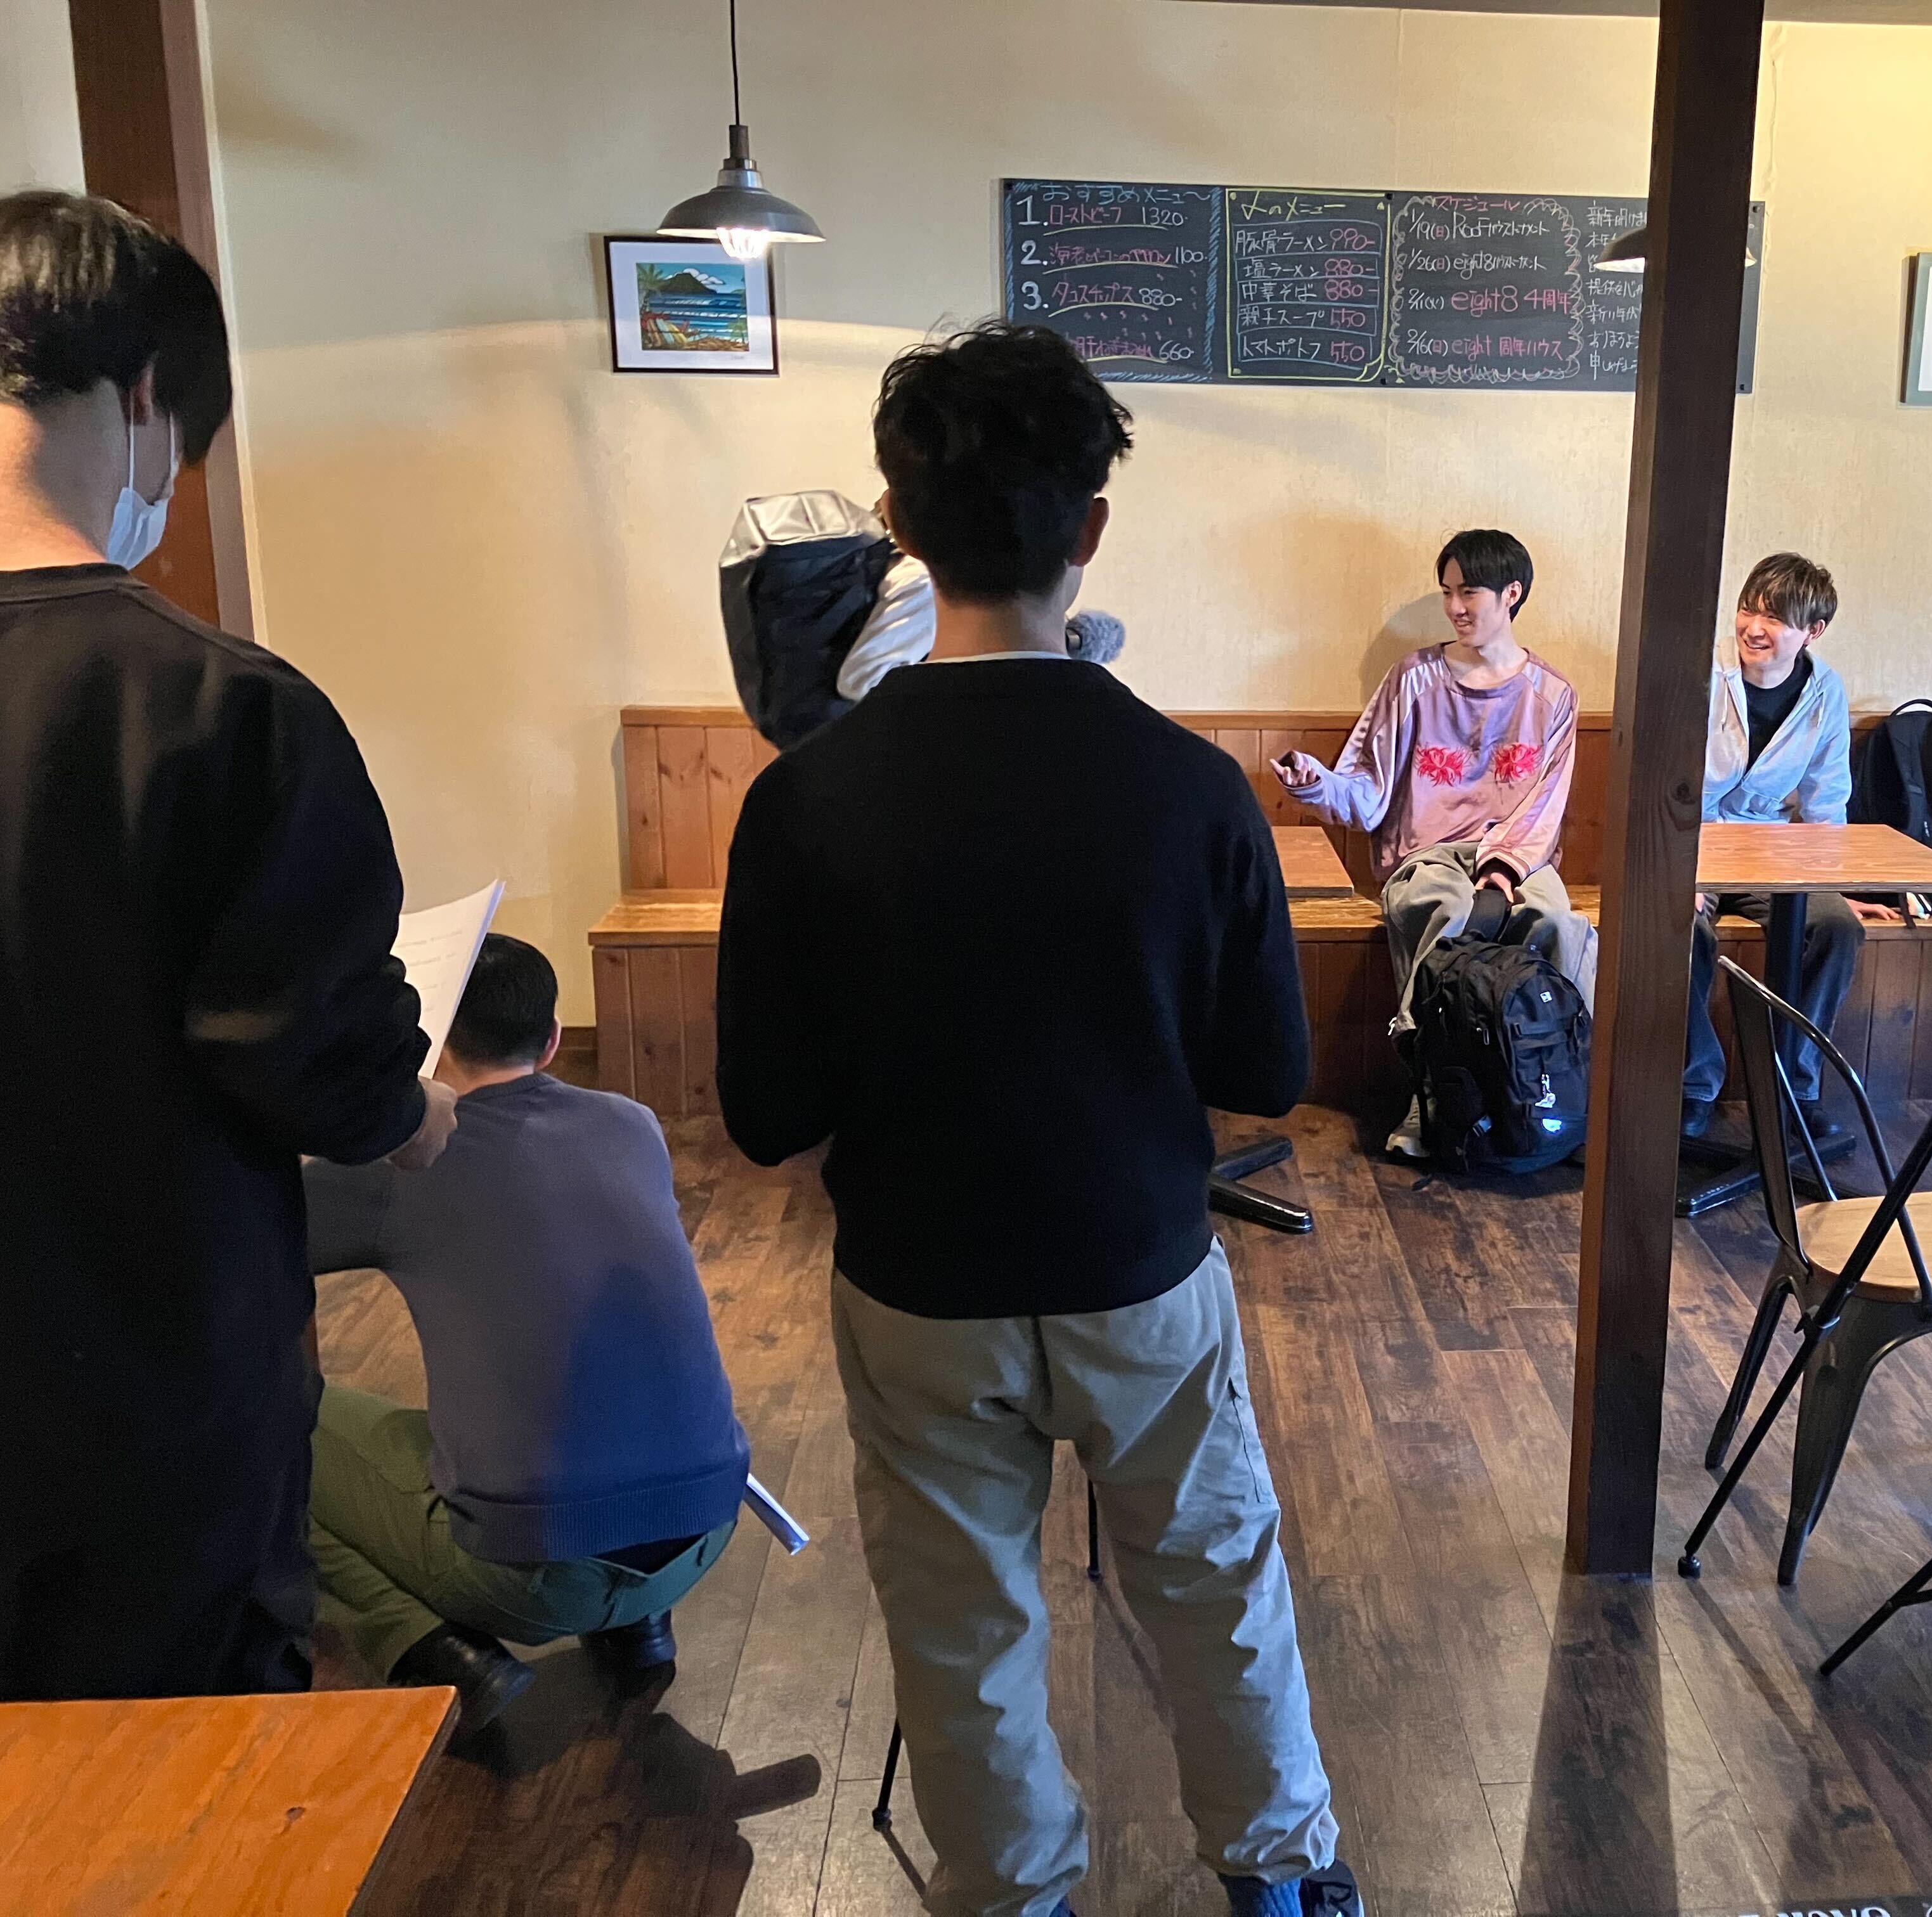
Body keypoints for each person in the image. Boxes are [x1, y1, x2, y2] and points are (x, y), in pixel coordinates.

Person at [716, 322, 1361, 1917]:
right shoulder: (1192, 788)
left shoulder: (803, 800)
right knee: (1213, 1579)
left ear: (899, 525)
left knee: (961, 1621)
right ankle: (1278, 1882)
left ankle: (1013, 1896)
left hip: (919, 1285)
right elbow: (1266, 1066)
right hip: (1139, 1266)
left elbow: (766, 1114)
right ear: (1092, 527)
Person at [0, 190, 455, 1700]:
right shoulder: (217, 708)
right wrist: (411, 1112)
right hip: (145, 1390)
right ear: (146, 398)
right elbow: (309, 1049)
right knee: (170, 1776)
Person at [301, 935, 750, 1738]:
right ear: (552, 1040)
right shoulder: (632, 1125)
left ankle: (440, 1654)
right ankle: (636, 1624)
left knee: (278, 1420)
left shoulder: (402, 1162)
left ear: (427, 1039)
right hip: (706, 1534)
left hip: (533, 1577)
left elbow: (246, 1243)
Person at [1273, 529, 1595, 1160]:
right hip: (1427, 852)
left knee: (1560, 924)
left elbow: (1546, 804)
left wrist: (1503, 868)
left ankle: (1563, 1095)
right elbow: (1368, 790)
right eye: (1447, 592)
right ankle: (1431, 1092)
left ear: (1512, 593)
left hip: (1521, 855)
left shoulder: (1553, 695)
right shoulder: (1413, 679)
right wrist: (1316, 783)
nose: (1454, 607)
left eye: (1468, 592)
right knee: (1443, 912)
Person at [1683, 552, 1898, 1158]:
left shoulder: (1825, 691)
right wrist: (1680, 874)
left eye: (1774, 618)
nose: (1754, 628)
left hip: (1768, 849)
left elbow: (1827, 799)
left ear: (1813, 631)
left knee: (1834, 927)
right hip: (1692, 843)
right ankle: (1693, 1087)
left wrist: (1835, 887)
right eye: (1748, 610)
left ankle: (1792, 1090)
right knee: (1679, 929)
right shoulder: (1702, 672)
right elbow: (1662, 784)